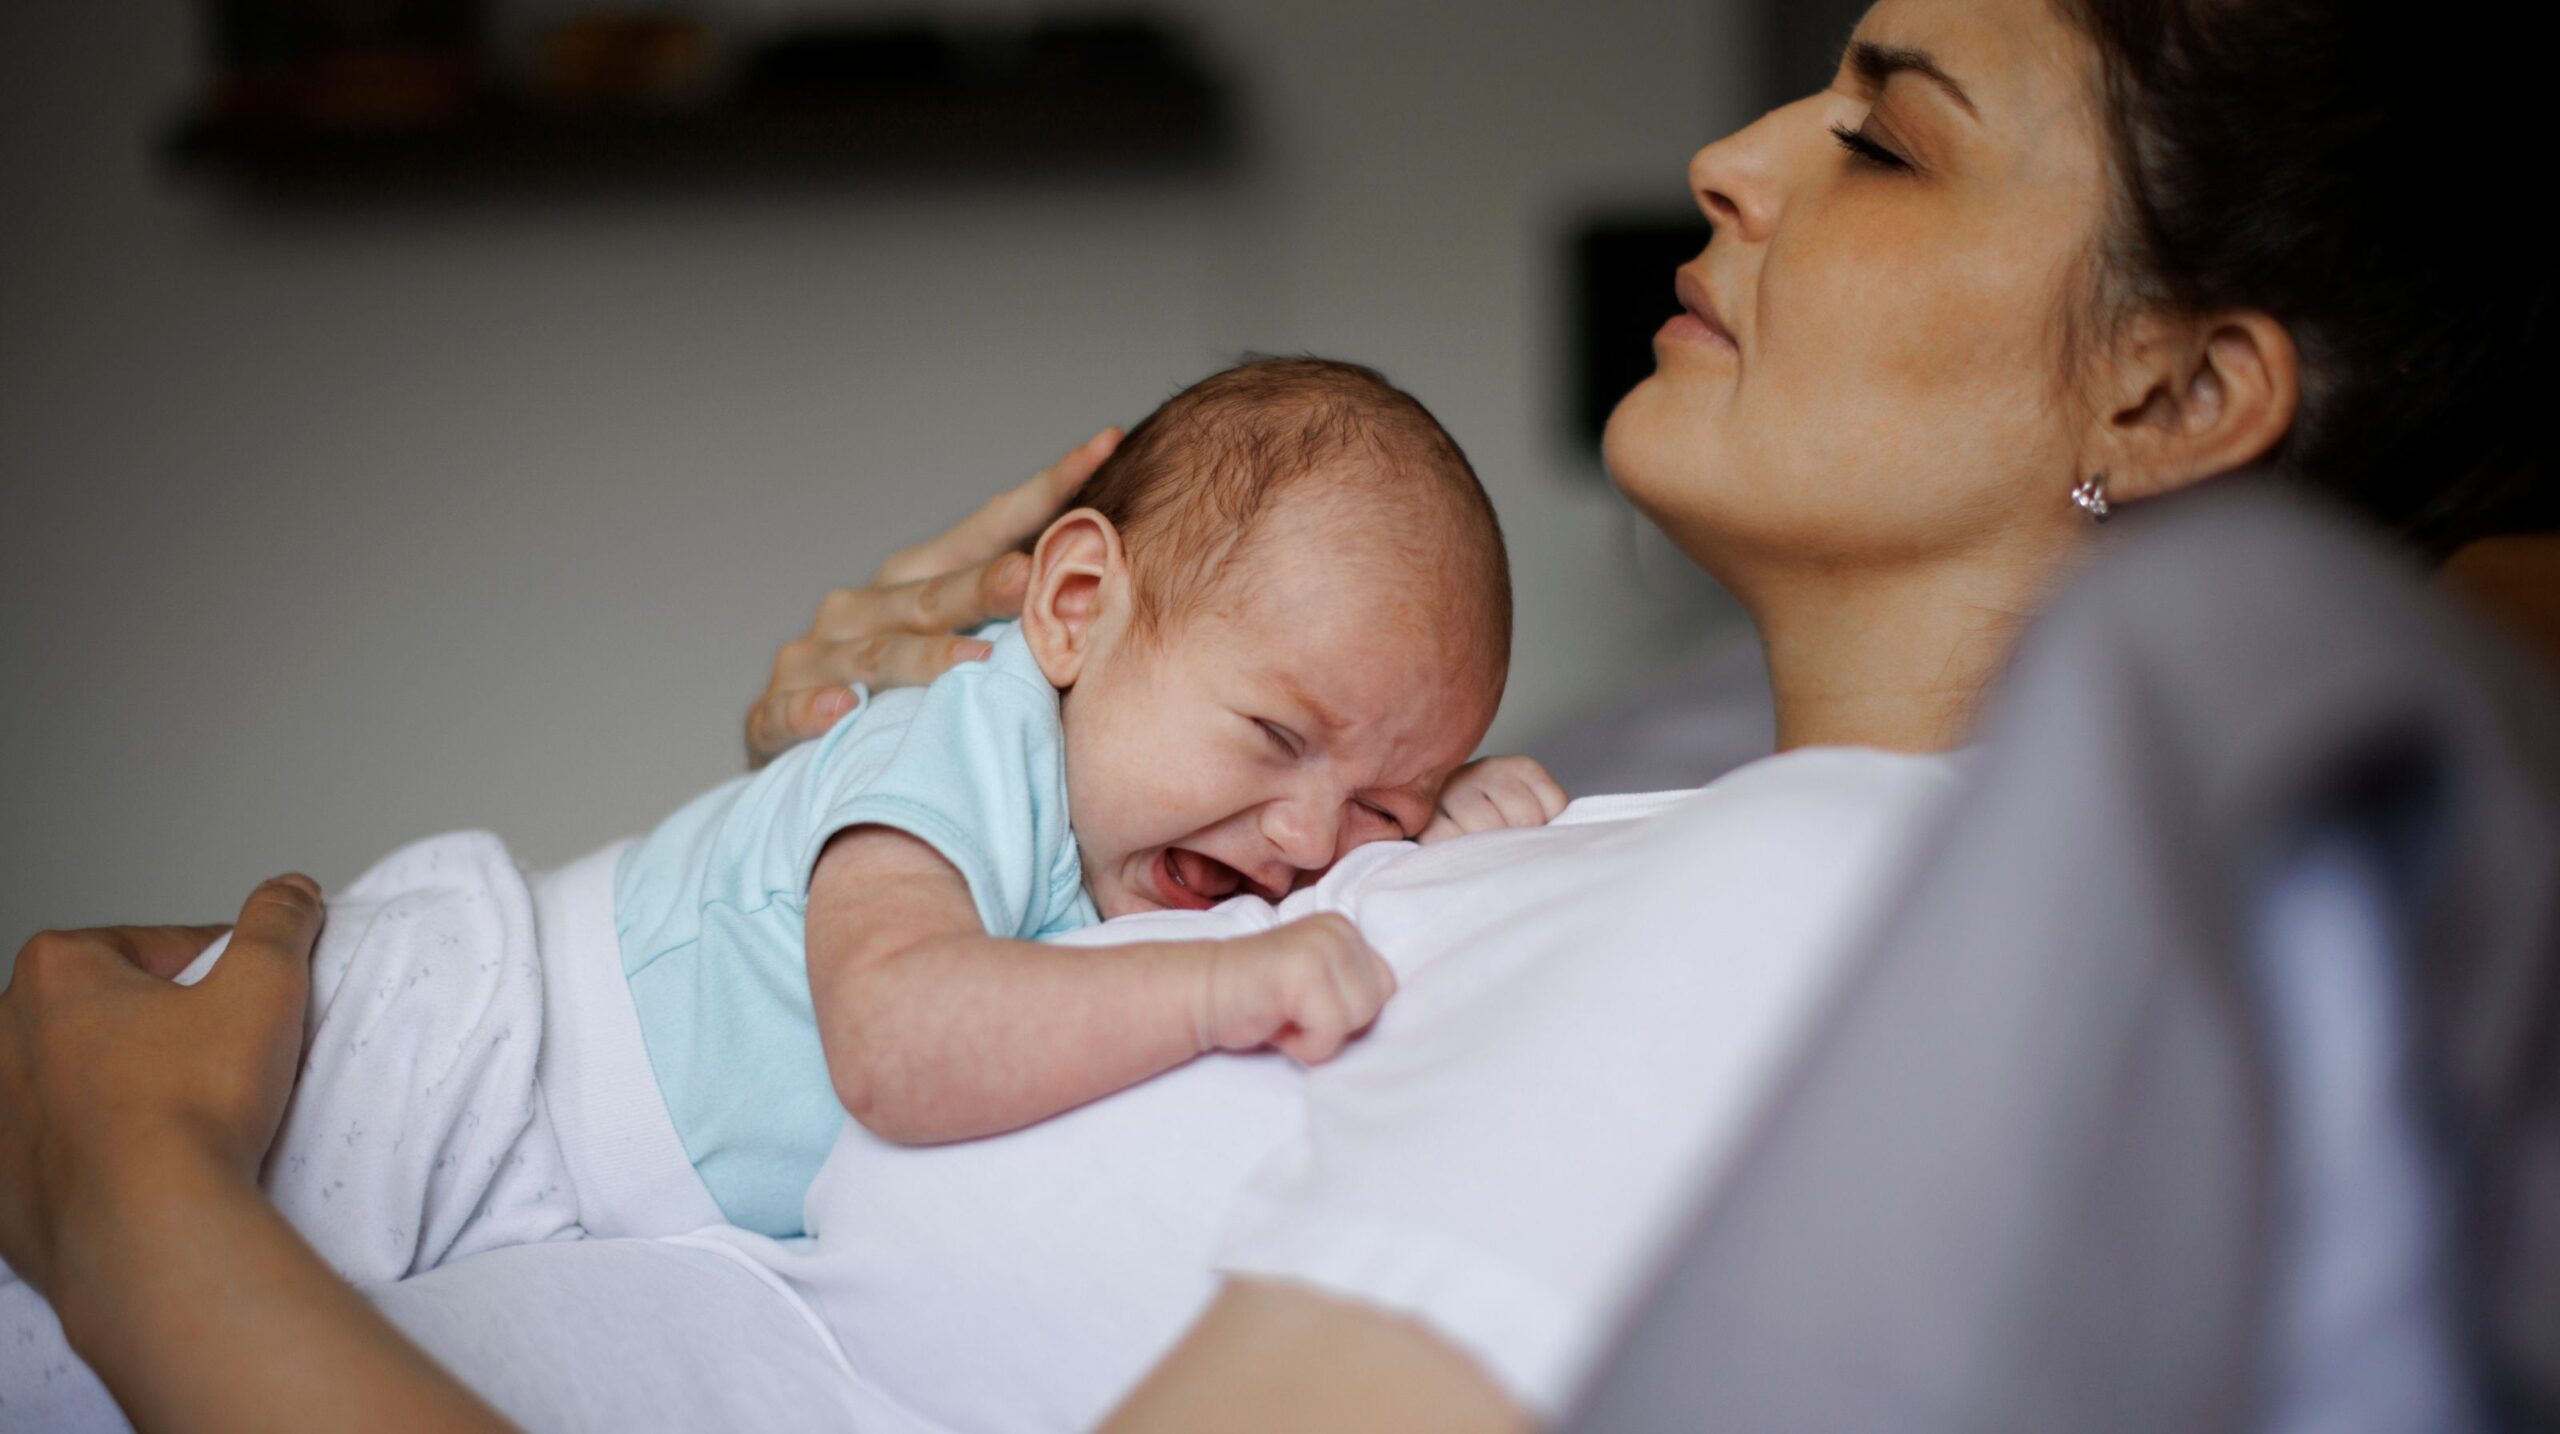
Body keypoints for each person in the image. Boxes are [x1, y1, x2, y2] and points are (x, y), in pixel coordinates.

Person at [2, 0, 2544, 1429]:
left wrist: (138, 1206)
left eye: (1882, 138)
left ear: (2170, 391)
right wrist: (877, 801)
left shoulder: (1835, 914)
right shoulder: (1656, 832)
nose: (1732, 152)